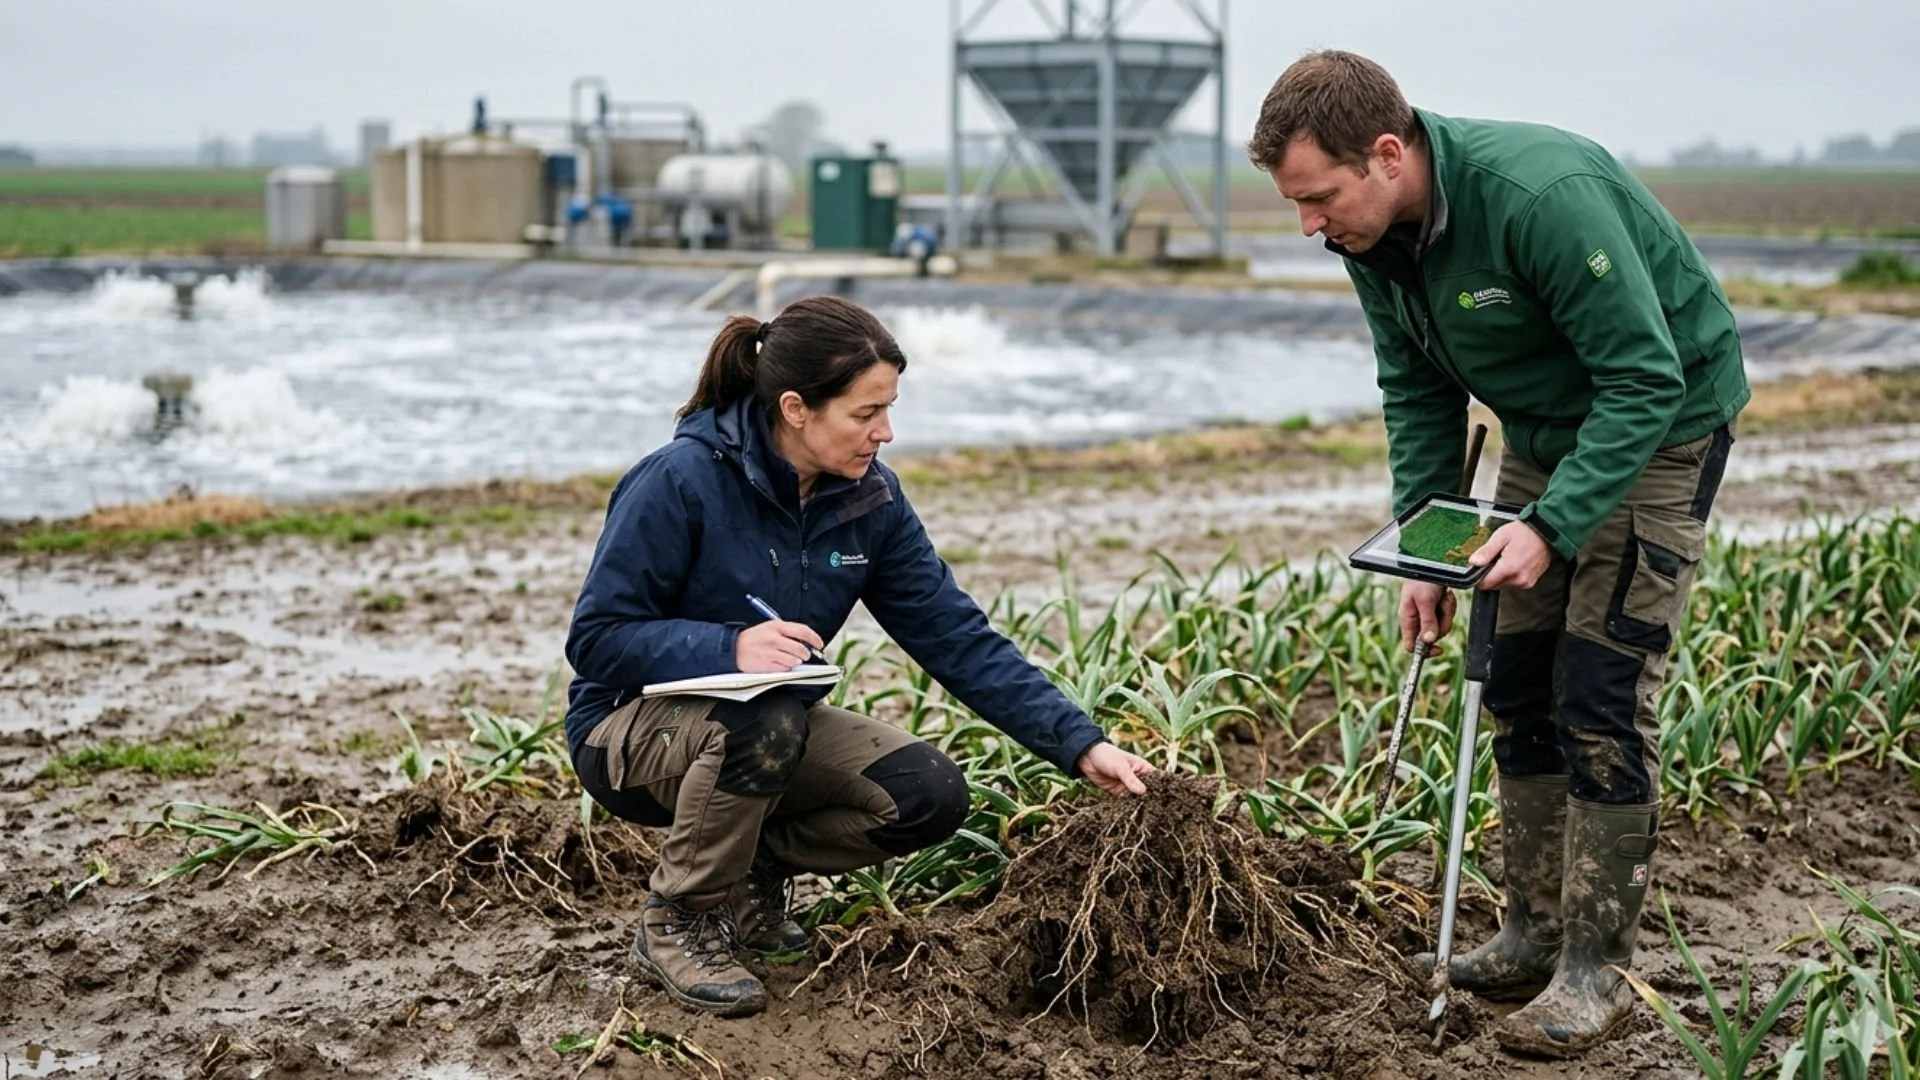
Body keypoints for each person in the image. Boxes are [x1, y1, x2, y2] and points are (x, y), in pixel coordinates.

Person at [1246, 51, 1748, 1057]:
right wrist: (1428, 553)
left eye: (1318, 198)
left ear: (1387, 154)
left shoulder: (1539, 199)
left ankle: (1596, 972)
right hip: (1541, 433)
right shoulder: (1373, 232)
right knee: (1515, 676)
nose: (1308, 226)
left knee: (1601, 694)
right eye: (1295, 205)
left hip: (1659, 428)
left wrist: (1554, 527)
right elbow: (1417, 391)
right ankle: (1531, 934)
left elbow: (1645, 380)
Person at [562, 294, 1155, 1018]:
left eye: (890, 407)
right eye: (865, 413)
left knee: (928, 795)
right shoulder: (678, 481)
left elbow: (954, 634)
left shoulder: (868, 499)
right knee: (772, 716)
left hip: (759, 729)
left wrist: (1079, 743)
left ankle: (751, 872)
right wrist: (729, 646)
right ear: (796, 408)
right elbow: (596, 639)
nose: (887, 432)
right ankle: (679, 917)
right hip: (627, 731)